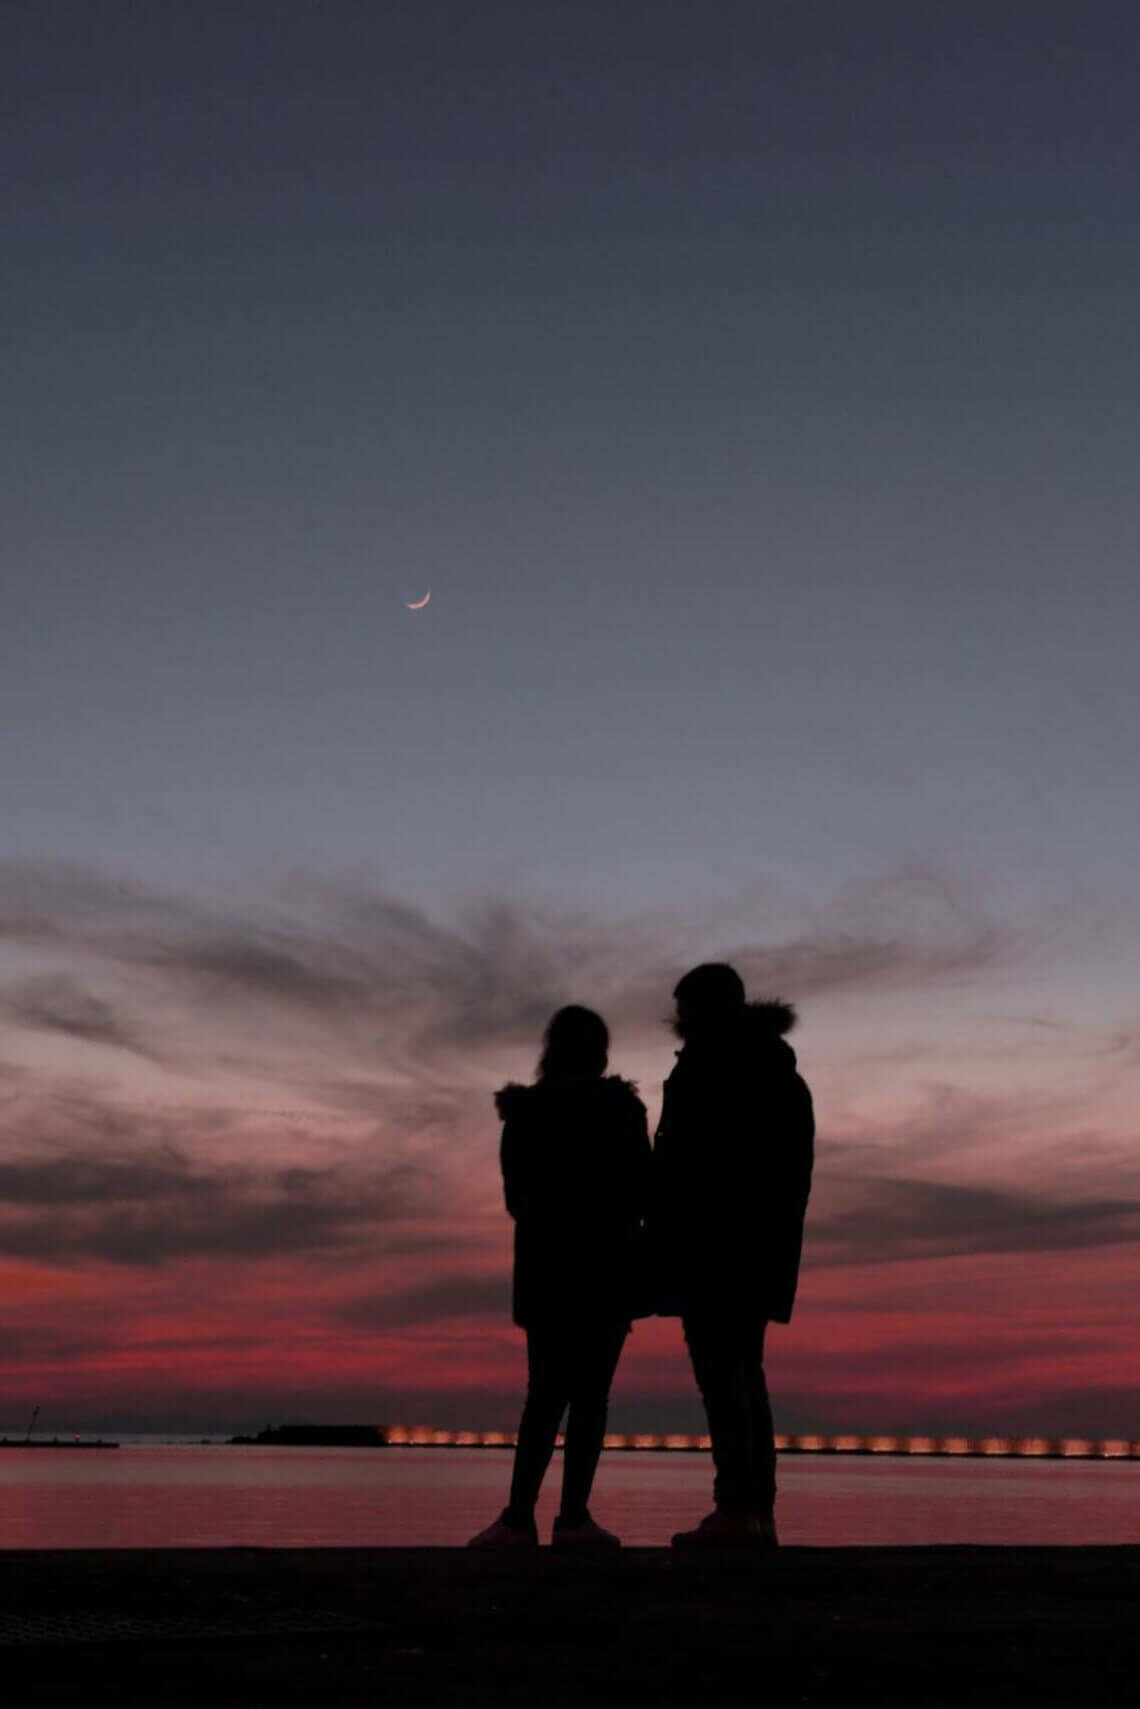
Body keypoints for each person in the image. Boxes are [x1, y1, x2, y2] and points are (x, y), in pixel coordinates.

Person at [468, 1005, 651, 1549]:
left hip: (550, 1271)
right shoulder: (623, 1110)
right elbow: (644, 1189)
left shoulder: (527, 1113)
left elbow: (516, 1200)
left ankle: (520, 1518)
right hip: (608, 1268)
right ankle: (571, 1519)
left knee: (545, 1395)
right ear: (600, 1053)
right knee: (591, 1396)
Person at [650, 964, 814, 1547]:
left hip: (718, 1247)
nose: (680, 1022)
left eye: (687, 1010)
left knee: (725, 1376)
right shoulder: (766, 1069)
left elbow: (692, 1164)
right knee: (741, 1373)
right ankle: (751, 1510)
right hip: (749, 1247)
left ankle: (738, 1509)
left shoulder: (721, 1068)